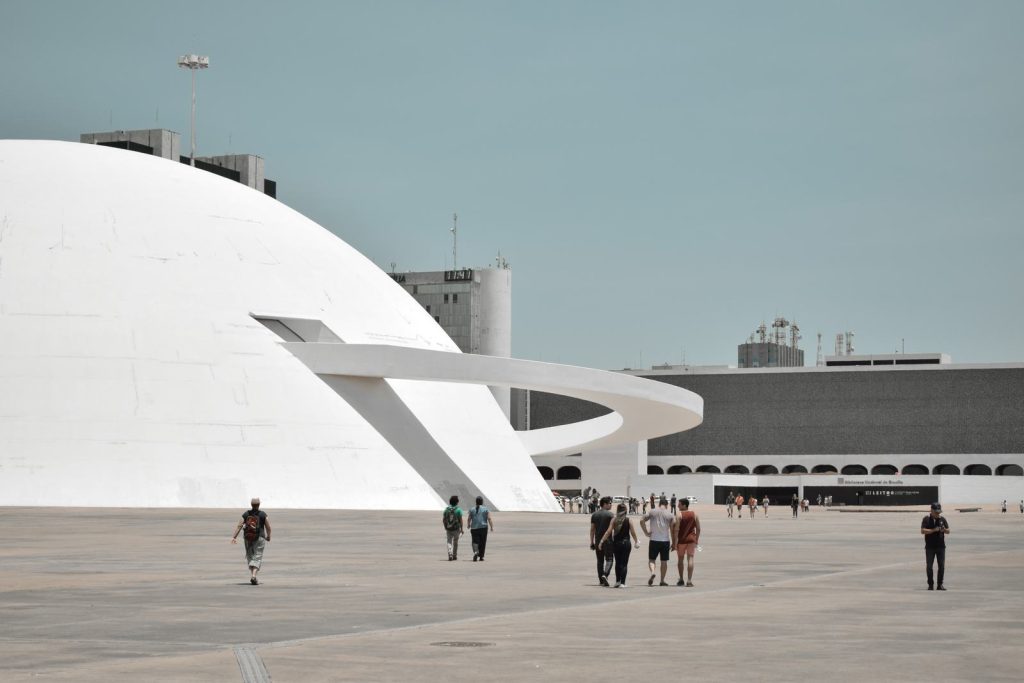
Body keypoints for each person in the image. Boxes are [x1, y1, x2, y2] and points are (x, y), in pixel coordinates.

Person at [231, 497, 271, 585]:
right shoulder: (263, 514)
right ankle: (253, 576)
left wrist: (234, 537)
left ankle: (253, 575)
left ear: (251, 504)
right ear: (259, 504)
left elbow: (239, 526)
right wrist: (268, 536)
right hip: (260, 538)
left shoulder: (246, 514)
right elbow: (268, 527)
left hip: (248, 538)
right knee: (257, 556)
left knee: (250, 556)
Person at [599, 503, 640, 587]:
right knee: (624, 563)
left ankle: (617, 581)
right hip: (626, 544)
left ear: (617, 510)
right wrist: (636, 541)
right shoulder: (628, 520)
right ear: (626, 510)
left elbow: (608, 532)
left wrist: (601, 541)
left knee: (618, 563)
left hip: (616, 544)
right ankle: (622, 583)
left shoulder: (614, 520)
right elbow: (632, 532)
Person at [640, 498, 675, 587]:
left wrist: (646, 532)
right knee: (664, 561)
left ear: (659, 504)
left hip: (654, 540)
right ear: (667, 505)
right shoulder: (670, 514)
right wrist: (674, 542)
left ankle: (652, 572)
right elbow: (673, 530)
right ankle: (662, 580)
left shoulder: (652, 512)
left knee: (652, 559)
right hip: (665, 541)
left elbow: (641, 520)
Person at [921, 502, 950, 590]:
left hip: (941, 547)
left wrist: (943, 530)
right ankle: (930, 584)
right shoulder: (926, 519)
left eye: (939, 512)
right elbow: (922, 531)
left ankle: (940, 584)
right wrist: (933, 530)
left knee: (941, 566)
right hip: (930, 547)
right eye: (936, 512)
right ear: (931, 510)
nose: (938, 514)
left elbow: (948, 530)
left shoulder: (942, 519)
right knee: (929, 566)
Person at [674, 498, 701, 587]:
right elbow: (698, 528)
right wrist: (696, 539)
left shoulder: (679, 515)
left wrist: (674, 542)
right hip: (691, 540)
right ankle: (689, 580)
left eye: (680, 504)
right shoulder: (694, 514)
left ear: (684, 505)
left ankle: (681, 579)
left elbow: (676, 529)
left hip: (681, 541)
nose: (678, 506)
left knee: (680, 560)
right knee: (690, 559)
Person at [589, 496, 615, 586]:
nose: (611, 505)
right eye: (610, 503)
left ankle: (601, 580)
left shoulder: (594, 515)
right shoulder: (611, 515)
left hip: (597, 540)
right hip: (608, 541)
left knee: (600, 561)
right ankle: (605, 575)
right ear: (605, 504)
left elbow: (592, 529)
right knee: (609, 559)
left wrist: (591, 542)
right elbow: (613, 529)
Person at [468, 496, 494, 561]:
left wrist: (468, 525)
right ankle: (481, 556)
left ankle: (476, 552)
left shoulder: (472, 509)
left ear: (476, 502)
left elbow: (469, 518)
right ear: (482, 502)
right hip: (483, 528)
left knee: (475, 541)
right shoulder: (485, 509)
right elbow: (489, 518)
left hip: (474, 528)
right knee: (483, 542)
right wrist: (491, 526)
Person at [443, 495, 464, 561]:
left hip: (448, 528)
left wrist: (445, 527)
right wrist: (462, 529)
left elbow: (444, 520)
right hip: (456, 529)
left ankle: (450, 553)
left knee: (449, 541)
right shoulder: (458, 510)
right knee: (455, 542)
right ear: (457, 502)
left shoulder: (446, 510)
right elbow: (461, 520)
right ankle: (454, 555)